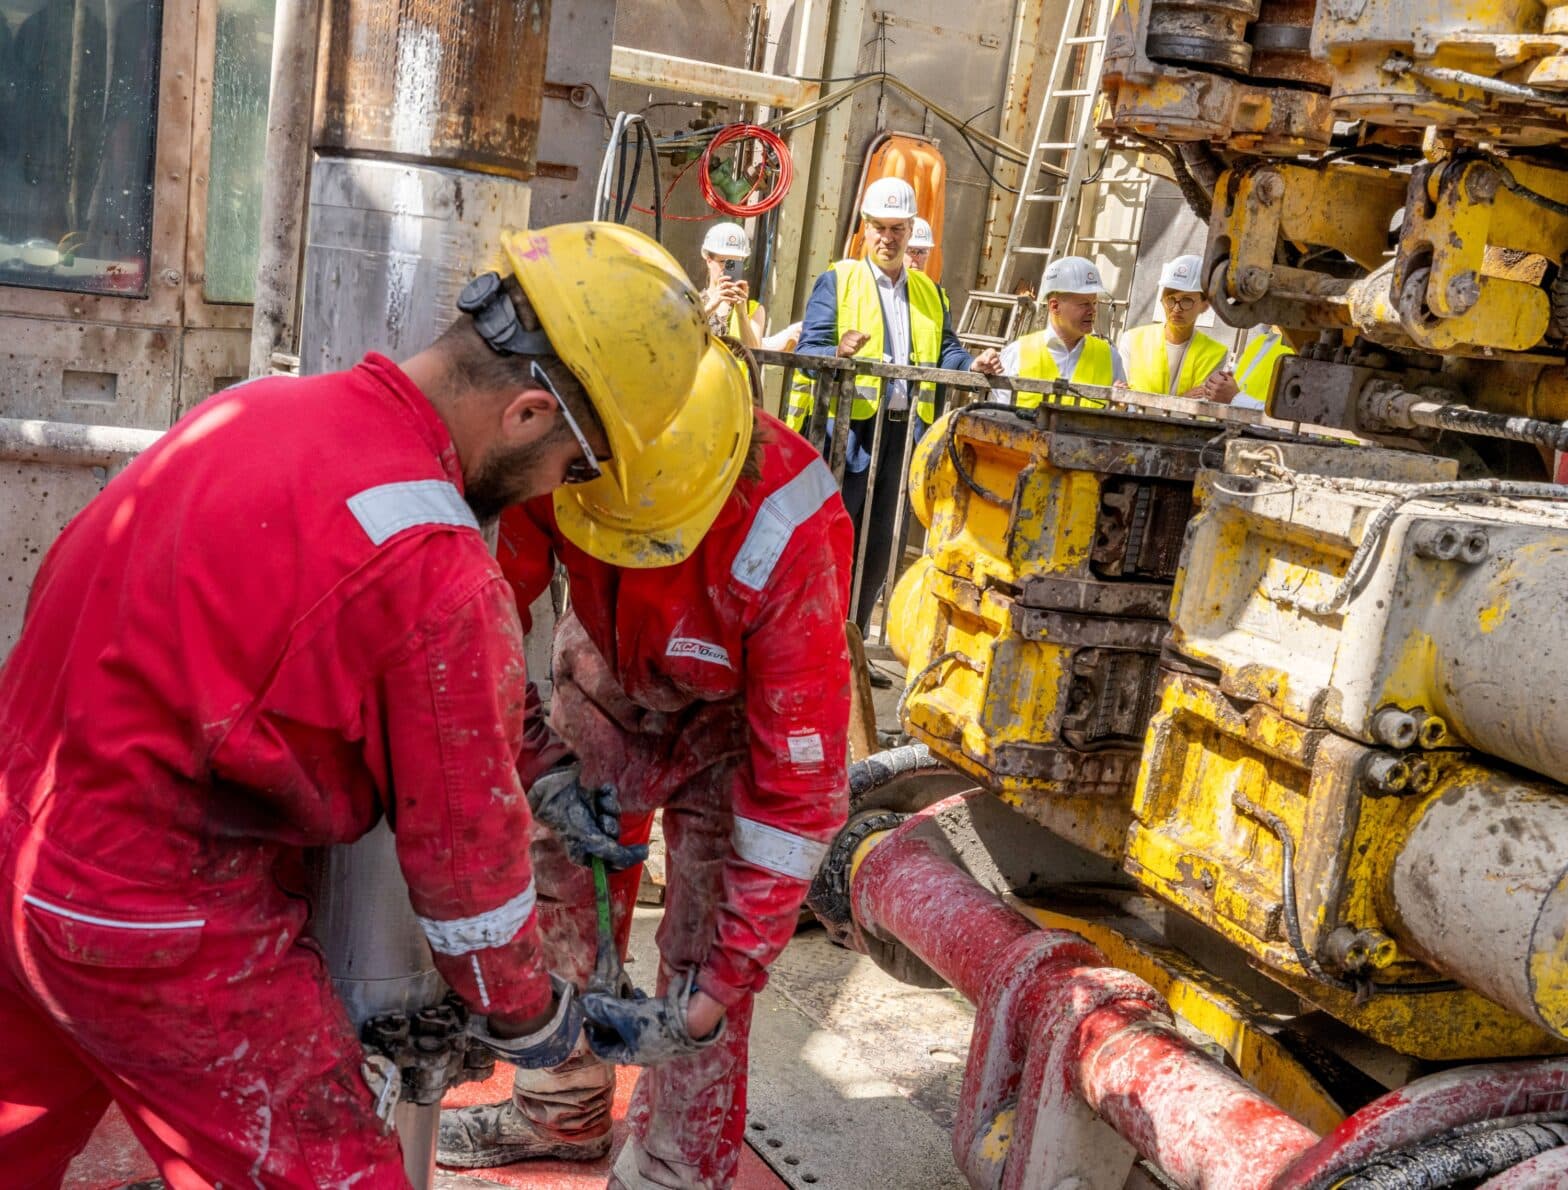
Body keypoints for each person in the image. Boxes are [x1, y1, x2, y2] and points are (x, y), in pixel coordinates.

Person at [0, 222, 710, 1187]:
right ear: (531, 416)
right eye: (577, 470)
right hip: (151, 916)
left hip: (22, 846)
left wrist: (538, 769)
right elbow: (466, 872)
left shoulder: (255, 411)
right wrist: (539, 1019)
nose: (558, 493)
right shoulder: (436, 559)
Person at [438, 341, 855, 1189]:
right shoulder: (580, 451)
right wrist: (539, 762)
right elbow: (478, 622)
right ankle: (562, 1112)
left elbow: (795, 801)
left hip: (735, 715)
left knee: (705, 942)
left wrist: (708, 1002)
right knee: (561, 884)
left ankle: (677, 1169)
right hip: (602, 677)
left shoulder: (789, 522)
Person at [789, 176, 1002, 635]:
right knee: (831, 538)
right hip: (849, 435)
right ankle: (813, 635)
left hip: (905, 437)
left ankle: (854, 638)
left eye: (898, 229)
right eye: (880, 228)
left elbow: (946, 350)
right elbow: (809, 353)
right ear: (864, 229)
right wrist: (838, 352)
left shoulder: (929, 293)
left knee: (881, 543)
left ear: (910, 231)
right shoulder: (839, 281)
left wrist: (972, 363)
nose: (888, 238)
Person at [996, 255, 1127, 409]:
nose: (1092, 311)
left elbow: (1122, 416)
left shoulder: (1110, 357)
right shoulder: (1017, 353)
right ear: (1054, 306)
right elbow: (999, 415)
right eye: (1084, 304)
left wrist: (1120, 406)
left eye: (1094, 303)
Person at [1121, 253, 1232, 399]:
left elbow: (1199, 409)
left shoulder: (1215, 353)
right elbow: (1123, 400)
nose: (1176, 308)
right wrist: (1182, 400)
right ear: (1162, 300)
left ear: (1205, 305)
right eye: (1171, 299)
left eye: (1186, 300)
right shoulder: (1132, 340)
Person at [698, 221, 767, 349]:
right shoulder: (693, 303)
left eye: (735, 263)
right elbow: (677, 336)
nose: (727, 269)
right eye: (723, 261)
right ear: (709, 261)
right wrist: (710, 308)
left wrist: (741, 312)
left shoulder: (753, 310)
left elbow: (754, 355)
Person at [1231, 324, 1295, 409]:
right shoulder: (1259, 341)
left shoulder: (1298, 348)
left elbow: (1286, 414)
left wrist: (1235, 399)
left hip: (1256, 419)